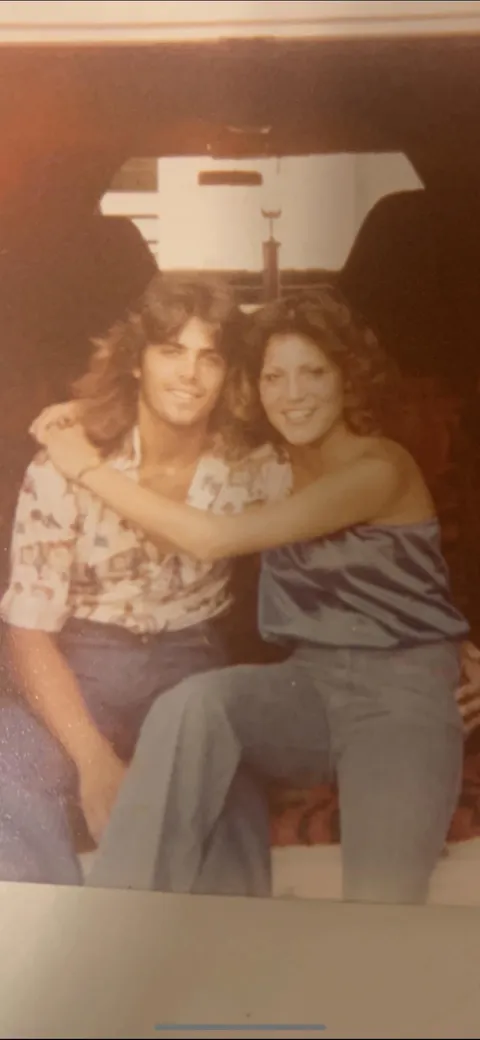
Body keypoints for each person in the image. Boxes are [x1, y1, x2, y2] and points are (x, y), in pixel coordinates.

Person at [34, 286, 477, 903]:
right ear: (256, 387)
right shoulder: (270, 467)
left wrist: (84, 466)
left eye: (313, 373)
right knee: (196, 703)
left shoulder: (380, 468)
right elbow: (168, 425)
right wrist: (85, 419)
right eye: (274, 377)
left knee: (382, 906)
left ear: (348, 376)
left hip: (400, 704)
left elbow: (212, 540)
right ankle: (113, 919)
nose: (292, 395)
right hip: (309, 690)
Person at [0, 273, 289, 886]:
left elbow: (346, 527)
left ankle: (226, 968)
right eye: (171, 351)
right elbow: (26, 632)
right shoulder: (65, 461)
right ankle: (48, 963)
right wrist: (94, 764)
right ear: (137, 361)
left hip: (192, 664)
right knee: (6, 766)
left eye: (209, 356)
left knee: (230, 790)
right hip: (80, 664)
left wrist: (438, 636)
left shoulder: (253, 466)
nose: (190, 374)